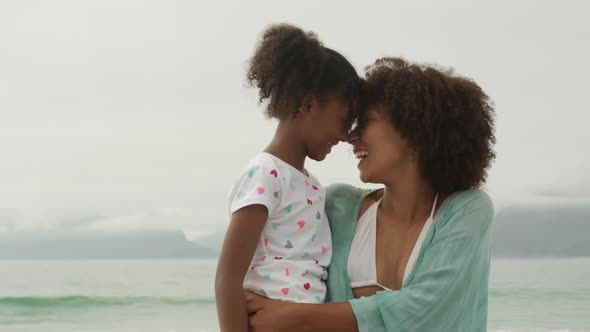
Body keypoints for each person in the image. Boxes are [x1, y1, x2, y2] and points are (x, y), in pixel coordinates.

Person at [245, 57, 497, 332]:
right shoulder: (336, 205)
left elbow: (425, 310)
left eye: (365, 121)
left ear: (414, 126)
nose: (350, 136)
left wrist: (292, 317)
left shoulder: (467, 210)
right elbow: (272, 268)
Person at [214, 23, 362, 332]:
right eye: (342, 120)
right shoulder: (264, 175)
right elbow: (227, 278)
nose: (346, 135)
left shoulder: (312, 185)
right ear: (308, 106)